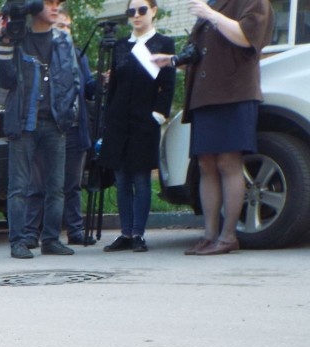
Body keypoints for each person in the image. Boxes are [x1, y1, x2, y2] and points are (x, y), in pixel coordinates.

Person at [153, 0, 273, 255]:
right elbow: (200, 52)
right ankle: (209, 235)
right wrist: (173, 60)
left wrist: (210, 14)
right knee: (205, 164)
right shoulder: (214, 3)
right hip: (204, 97)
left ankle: (228, 236)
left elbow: (245, 37)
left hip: (233, 94)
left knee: (228, 163)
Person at [0, 0, 82, 259]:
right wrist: (3, 44)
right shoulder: (18, 38)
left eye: (58, 3)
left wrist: (69, 111)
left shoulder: (63, 41)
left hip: (55, 122)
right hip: (24, 122)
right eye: (49, 3)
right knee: (19, 187)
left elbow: (73, 79)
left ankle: (51, 239)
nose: (55, 7)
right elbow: (6, 80)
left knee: (56, 186)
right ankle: (18, 242)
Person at [98, 0, 175, 252]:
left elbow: (168, 85)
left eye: (142, 10)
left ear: (153, 11)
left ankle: (139, 233)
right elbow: (116, 84)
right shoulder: (122, 45)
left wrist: (158, 114)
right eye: (132, 11)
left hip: (144, 120)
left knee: (141, 179)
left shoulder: (163, 44)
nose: (136, 15)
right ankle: (125, 233)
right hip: (119, 121)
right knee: (121, 180)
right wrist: (109, 116)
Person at [23, 9, 97, 248]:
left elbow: (87, 88)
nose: (64, 31)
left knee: (71, 184)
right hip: (48, 126)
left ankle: (75, 231)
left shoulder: (77, 56)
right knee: (38, 183)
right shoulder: (45, 54)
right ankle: (30, 233)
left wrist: (103, 80)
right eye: (59, 26)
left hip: (74, 128)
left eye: (67, 27)